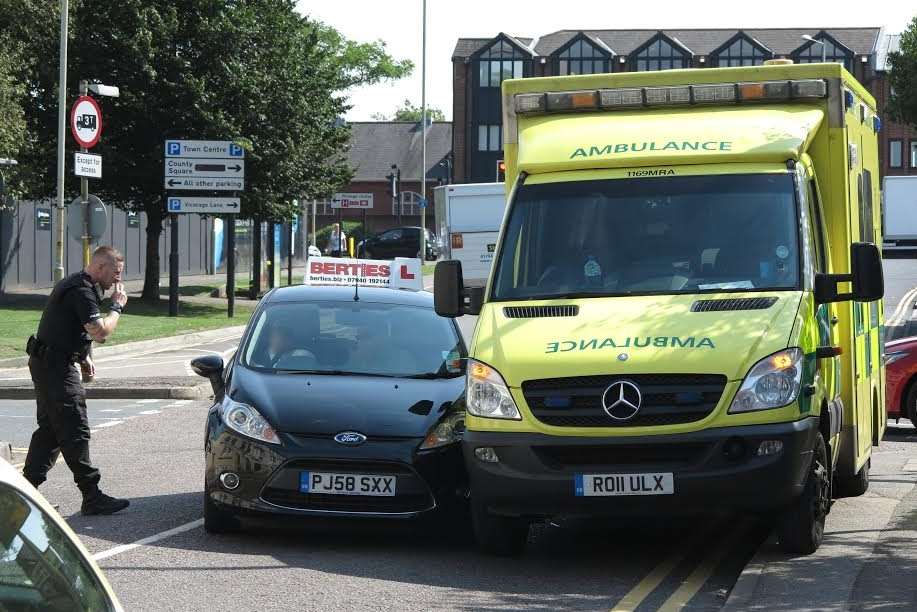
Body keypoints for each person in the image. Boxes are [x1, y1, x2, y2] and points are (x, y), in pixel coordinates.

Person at [23, 246, 130, 516]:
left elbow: (73, 327)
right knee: (74, 429)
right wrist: (117, 307)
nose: (117, 280)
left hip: (50, 363)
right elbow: (100, 331)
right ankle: (92, 496)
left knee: (51, 431)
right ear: (100, 267)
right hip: (55, 368)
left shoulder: (82, 286)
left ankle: (24, 494)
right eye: (115, 273)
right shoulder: (81, 290)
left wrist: (84, 356)